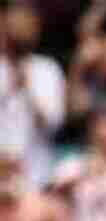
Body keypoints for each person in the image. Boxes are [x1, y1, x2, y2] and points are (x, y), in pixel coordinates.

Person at [0, 3, 66, 187]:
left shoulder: (48, 69)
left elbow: (53, 124)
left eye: (25, 25)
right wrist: (7, 91)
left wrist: (28, 91)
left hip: (35, 174)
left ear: (36, 30)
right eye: (12, 25)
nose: (18, 31)